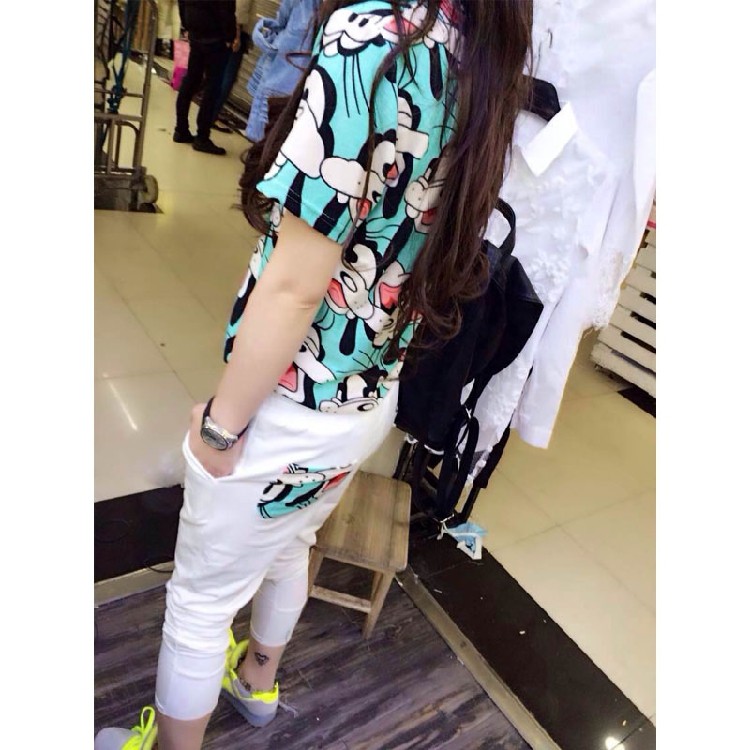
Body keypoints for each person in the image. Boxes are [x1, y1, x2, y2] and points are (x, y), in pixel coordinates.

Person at [95, 1, 533, 748]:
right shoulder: (479, 53)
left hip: (291, 401)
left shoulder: (372, 39)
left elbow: (298, 284)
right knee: (289, 544)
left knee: (199, 604)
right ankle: (258, 682)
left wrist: (221, 427)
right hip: (367, 396)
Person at [173, 0, 238, 155]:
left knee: (191, 80)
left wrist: (187, 25)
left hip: (196, 32)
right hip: (215, 36)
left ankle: (181, 129)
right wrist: (230, 37)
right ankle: (202, 137)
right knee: (213, 86)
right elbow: (226, 8)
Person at [211, 0, 254, 133]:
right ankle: (212, 115)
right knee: (228, 76)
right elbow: (239, 11)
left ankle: (212, 112)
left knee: (223, 73)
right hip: (234, 32)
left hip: (224, 27)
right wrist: (237, 37)